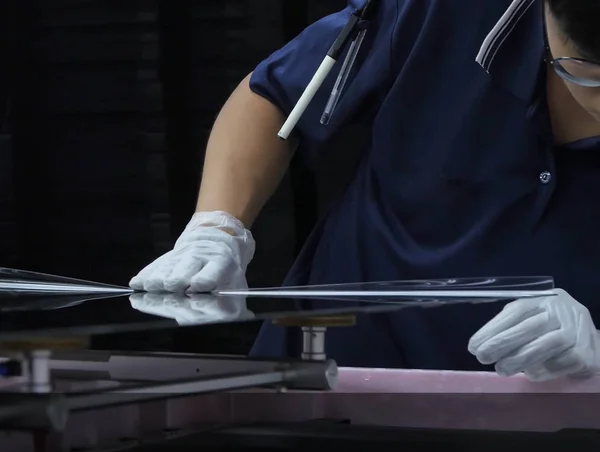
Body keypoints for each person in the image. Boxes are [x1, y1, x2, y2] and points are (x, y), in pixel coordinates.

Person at [130, 0, 600, 382]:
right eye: (589, 73)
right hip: (328, 378)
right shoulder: (439, 12)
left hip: (550, 426)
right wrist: (216, 226)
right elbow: (276, 97)